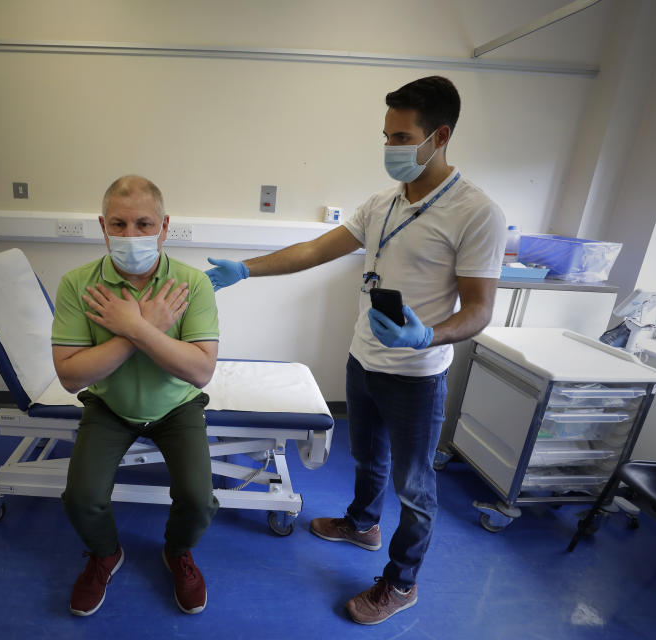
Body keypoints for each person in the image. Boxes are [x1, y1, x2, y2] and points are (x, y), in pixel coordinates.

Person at [206, 76, 506, 625]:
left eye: (400, 137)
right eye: (386, 136)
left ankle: (401, 582)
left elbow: (481, 309)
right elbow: (316, 249)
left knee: (414, 487)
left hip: (416, 372)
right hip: (364, 358)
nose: (390, 148)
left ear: (439, 136)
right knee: (368, 456)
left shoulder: (476, 212)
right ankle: (363, 524)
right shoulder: (384, 203)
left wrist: (426, 335)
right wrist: (247, 269)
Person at [52, 175, 220, 617]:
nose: (131, 236)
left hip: (176, 405)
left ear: (164, 226)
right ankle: (106, 554)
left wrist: (134, 325)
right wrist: (140, 327)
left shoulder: (191, 284)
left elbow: (201, 371)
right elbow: (70, 377)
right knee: (80, 498)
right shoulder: (77, 285)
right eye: (119, 224)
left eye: (143, 224)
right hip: (110, 405)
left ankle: (177, 551)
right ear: (102, 226)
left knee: (199, 498)